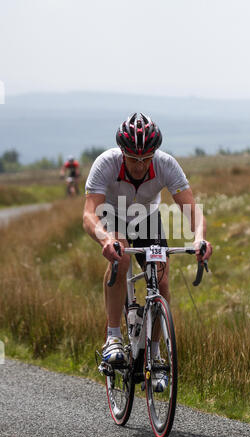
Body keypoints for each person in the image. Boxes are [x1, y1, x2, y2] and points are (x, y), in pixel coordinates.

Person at [83, 113, 213, 389]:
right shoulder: (106, 163)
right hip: (113, 216)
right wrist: (105, 239)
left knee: (161, 280)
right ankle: (113, 337)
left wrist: (200, 239)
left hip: (147, 218)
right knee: (120, 253)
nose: (140, 165)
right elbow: (88, 214)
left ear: (154, 153)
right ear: (122, 153)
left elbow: (192, 210)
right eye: (133, 159)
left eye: (146, 159)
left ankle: (155, 356)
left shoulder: (166, 164)